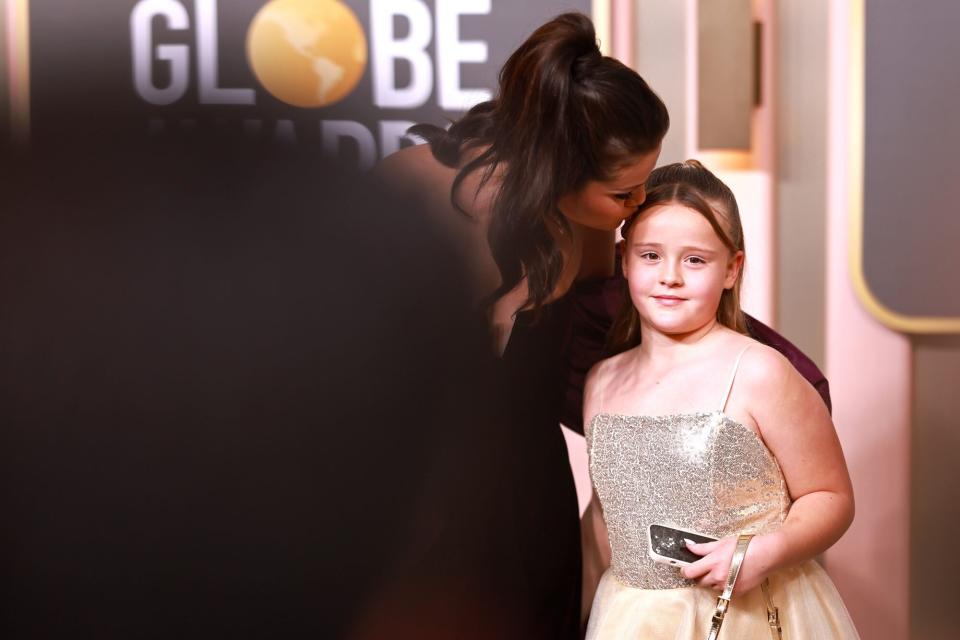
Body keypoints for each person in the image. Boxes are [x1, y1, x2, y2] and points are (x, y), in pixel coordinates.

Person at [380, 11, 835, 638]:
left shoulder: (589, 236)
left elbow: (639, 355)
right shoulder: (404, 194)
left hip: (521, 489)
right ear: (560, 172)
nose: (638, 206)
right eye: (624, 193)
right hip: (407, 478)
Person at [581, 160, 859, 638]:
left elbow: (830, 496)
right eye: (651, 256)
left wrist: (764, 550)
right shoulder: (601, 381)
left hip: (742, 618)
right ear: (624, 259)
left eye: (695, 260)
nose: (670, 276)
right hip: (630, 619)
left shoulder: (759, 371)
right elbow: (607, 514)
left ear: (732, 269)